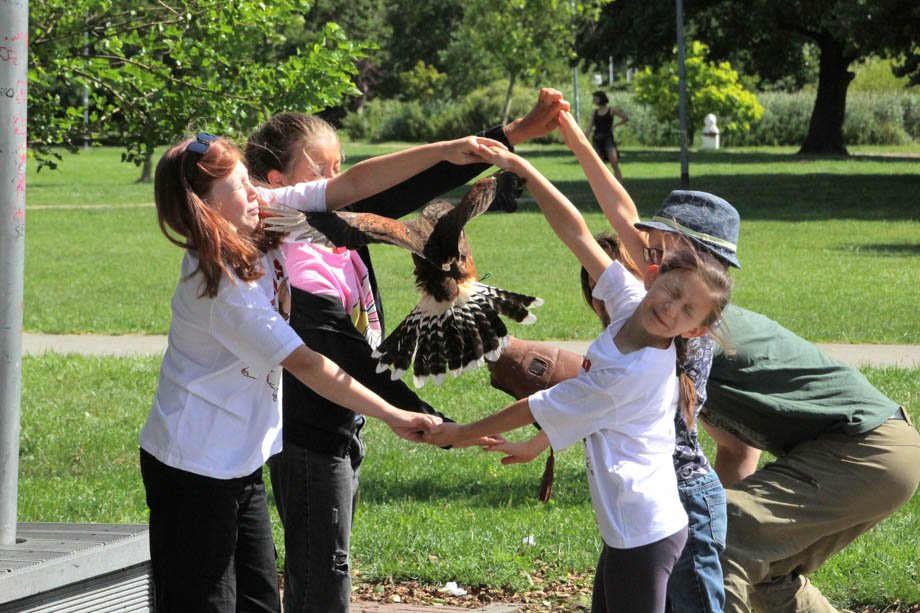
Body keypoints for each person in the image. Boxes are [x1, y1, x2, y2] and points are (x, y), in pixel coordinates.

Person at [551, 116, 920, 612]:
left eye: (658, 248)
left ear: (694, 259)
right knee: (766, 573)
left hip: (866, 450)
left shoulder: (688, 320)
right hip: (878, 455)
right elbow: (738, 449)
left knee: (714, 547)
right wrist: (573, 134)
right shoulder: (680, 310)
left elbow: (617, 223)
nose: (645, 255)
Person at [139, 131, 504, 612]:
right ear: (206, 209)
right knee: (205, 603)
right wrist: (394, 414)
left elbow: (349, 187)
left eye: (250, 180)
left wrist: (443, 151)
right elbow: (309, 364)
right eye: (240, 187)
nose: (256, 192)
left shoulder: (259, 214)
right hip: (193, 469)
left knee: (259, 602)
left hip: (240, 461)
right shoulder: (223, 291)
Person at [243, 89, 570, 612]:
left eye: (339, 168)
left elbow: (408, 187)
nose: (337, 180)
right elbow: (347, 360)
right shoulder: (290, 262)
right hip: (308, 439)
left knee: (324, 576)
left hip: (341, 427)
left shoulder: (330, 224)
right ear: (277, 184)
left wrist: (510, 136)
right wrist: (436, 423)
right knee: (323, 585)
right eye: (322, 171)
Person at [423, 141, 734, 613]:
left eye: (687, 310)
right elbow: (577, 232)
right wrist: (524, 169)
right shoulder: (631, 302)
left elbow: (540, 405)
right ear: (652, 275)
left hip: (645, 533)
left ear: (694, 330)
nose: (670, 308)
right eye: (671, 291)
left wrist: (460, 434)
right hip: (631, 527)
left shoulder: (635, 372)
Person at [586, 90, 628, 183]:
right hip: (597, 139)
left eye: (595, 99)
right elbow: (590, 126)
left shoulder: (611, 110)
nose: (594, 101)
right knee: (599, 164)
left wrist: (615, 125)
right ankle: (603, 184)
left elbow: (625, 118)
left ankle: (619, 185)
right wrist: (584, 137)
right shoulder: (595, 112)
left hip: (608, 139)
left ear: (601, 98)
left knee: (614, 162)